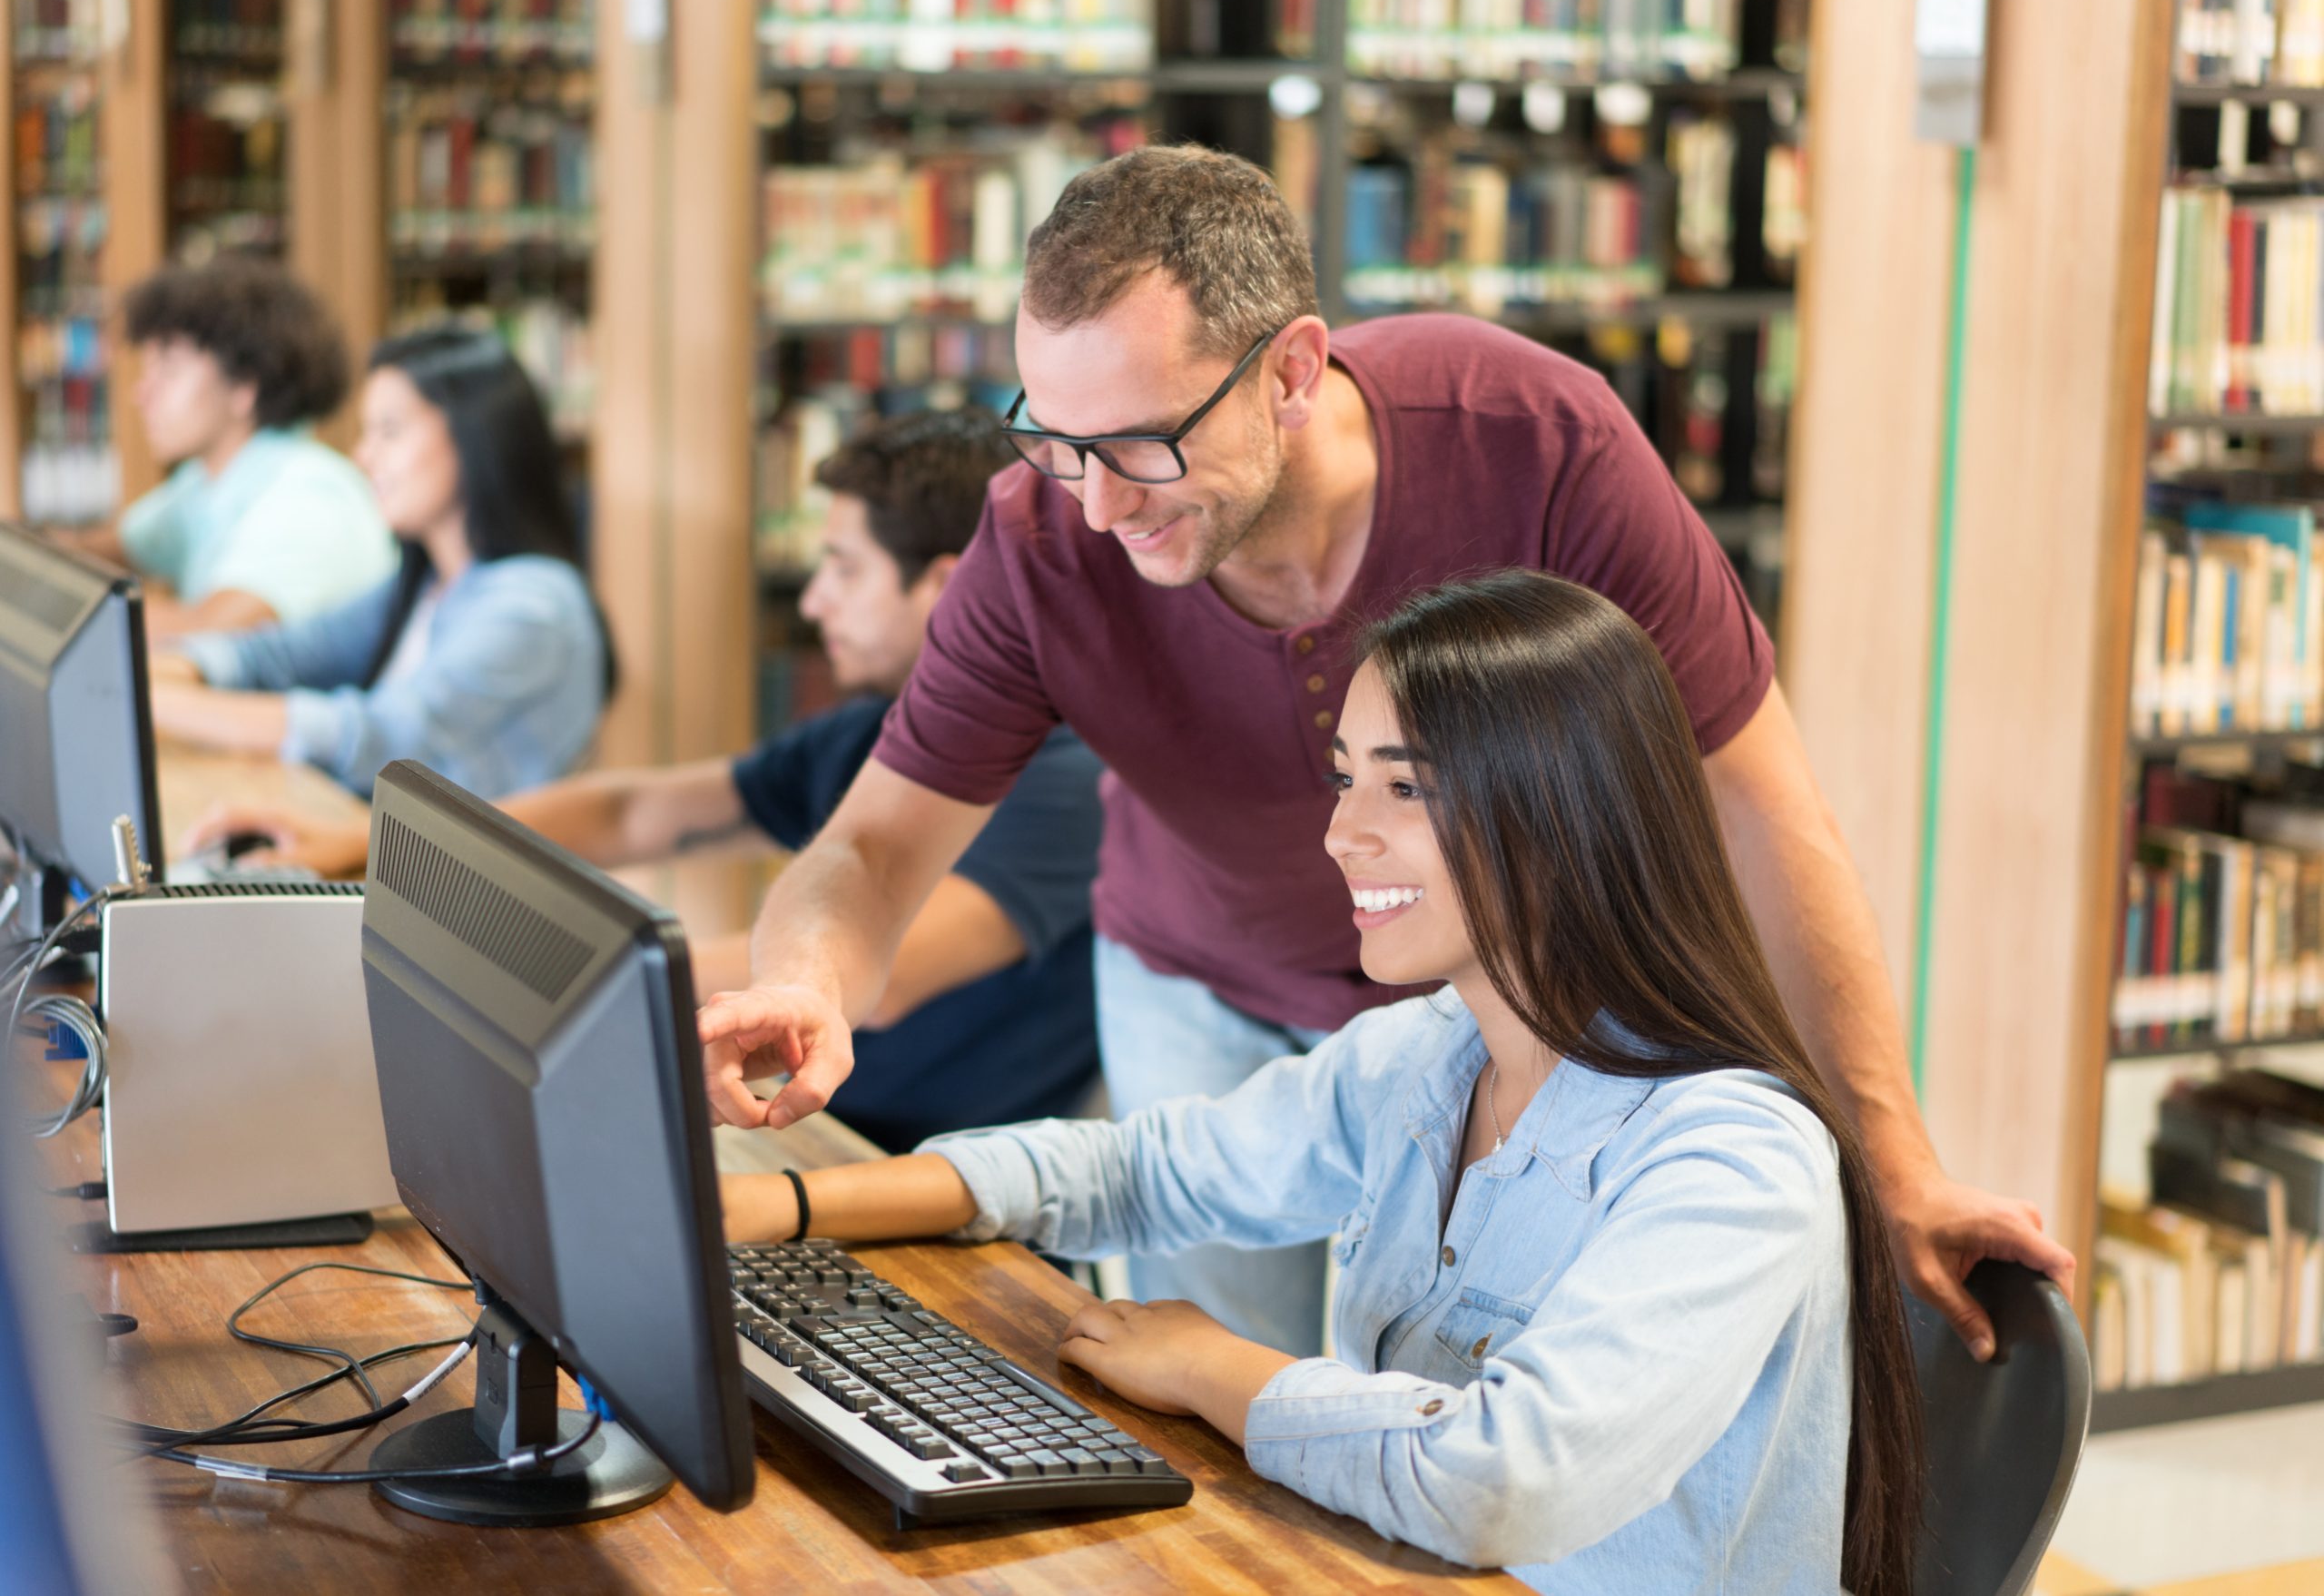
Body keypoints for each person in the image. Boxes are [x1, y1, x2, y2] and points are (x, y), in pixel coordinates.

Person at [696, 143, 2073, 1364]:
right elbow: (872, 850)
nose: (1100, 505)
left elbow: (1763, 811)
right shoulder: (1040, 537)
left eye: (1142, 445)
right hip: (1203, 995)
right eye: (1055, 442)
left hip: (1516, 1021)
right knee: (1213, 1432)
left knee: (1450, 1419)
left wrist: (1893, 1156)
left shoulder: (1540, 446)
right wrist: (809, 983)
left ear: (1291, 371)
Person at [723, 572, 1924, 1595]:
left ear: (1563, 819)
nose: (1343, 833)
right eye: (1347, 779)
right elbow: (1139, 1170)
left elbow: (1500, 1480)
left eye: (1404, 789)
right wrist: (783, 1208)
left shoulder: (1732, 1155)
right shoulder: (1436, 1053)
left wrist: (1211, 1364)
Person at [185, 408, 1105, 1155]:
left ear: (947, 588)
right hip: (794, 1128)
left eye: (841, 567)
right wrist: (378, 845)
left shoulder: (1063, 774)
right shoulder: (880, 727)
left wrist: (504, 966)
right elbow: (639, 809)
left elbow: (881, 975)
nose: (815, 599)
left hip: (903, 1173)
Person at [146, 326, 610, 802]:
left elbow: (384, 736)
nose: (364, 456)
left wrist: (156, 703)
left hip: (449, 874)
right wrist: (180, 669)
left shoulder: (533, 605)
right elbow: (283, 653)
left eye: (389, 431)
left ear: (475, 433)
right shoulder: (427, 581)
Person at [54, 259, 396, 641]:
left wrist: (47, 601)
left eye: (169, 370)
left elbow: (209, 633)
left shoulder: (309, 496)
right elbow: (105, 549)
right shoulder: (207, 481)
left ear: (244, 387)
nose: (142, 393)